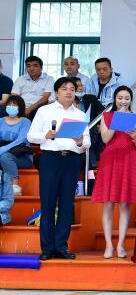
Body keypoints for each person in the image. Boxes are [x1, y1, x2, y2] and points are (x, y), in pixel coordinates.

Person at [27, 77, 90, 261]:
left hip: (71, 160)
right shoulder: (44, 111)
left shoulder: (80, 115)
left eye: (72, 89)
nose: (69, 92)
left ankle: (61, 246)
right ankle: (47, 248)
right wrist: (45, 135)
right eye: (64, 88)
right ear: (56, 92)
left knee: (66, 204)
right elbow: (31, 136)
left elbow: (86, 143)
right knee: (47, 203)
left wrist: (80, 142)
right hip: (50, 159)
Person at [92, 86, 136, 259]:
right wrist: (117, 121)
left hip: (129, 159)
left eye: (127, 98)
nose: (123, 101)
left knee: (124, 203)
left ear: (131, 100)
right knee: (108, 202)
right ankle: (109, 245)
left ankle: (121, 244)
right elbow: (105, 139)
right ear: (115, 99)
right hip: (110, 159)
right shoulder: (107, 116)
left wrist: (135, 137)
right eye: (120, 98)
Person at [0, 96, 33, 226]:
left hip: (21, 156)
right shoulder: (1, 121)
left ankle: (15, 186)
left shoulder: (25, 122)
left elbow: (20, 140)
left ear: (20, 107)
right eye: (9, 104)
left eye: (15, 105)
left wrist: (2, 149)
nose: (11, 107)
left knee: (5, 157)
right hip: (2, 153)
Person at [11, 56, 54, 120]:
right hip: (21, 107)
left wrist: (30, 109)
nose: (31, 69)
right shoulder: (20, 79)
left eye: (35, 66)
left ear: (41, 67)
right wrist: (21, 108)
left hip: (38, 107)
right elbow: (14, 95)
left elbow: (46, 97)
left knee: (40, 109)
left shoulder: (49, 79)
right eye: (28, 66)